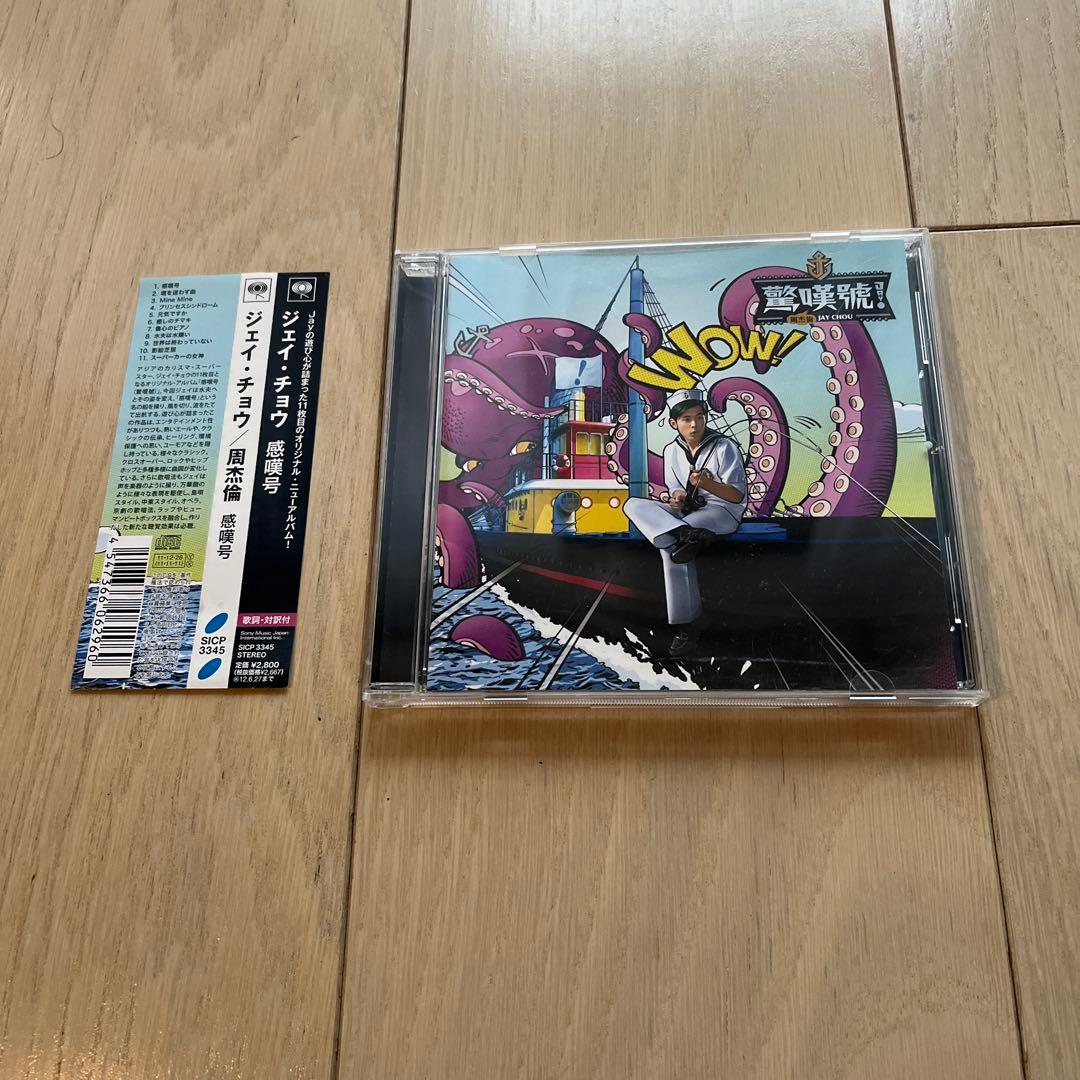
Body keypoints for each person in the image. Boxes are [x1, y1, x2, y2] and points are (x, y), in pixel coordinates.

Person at [624, 388, 748, 648]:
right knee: (633, 504)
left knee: (670, 549)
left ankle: (686, 625)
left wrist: (708, 484)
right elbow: (675, 489)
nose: (694, 424)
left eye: (699, 417)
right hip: (688, 513)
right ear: (674, 423)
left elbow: (736, 496)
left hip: (721, 511)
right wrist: (677, 497)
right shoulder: (671, 450)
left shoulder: (725, 446)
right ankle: (685, 534)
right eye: (687, 419)